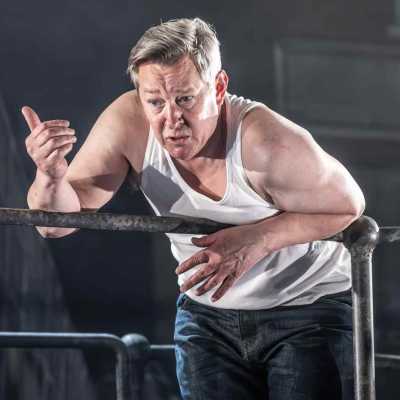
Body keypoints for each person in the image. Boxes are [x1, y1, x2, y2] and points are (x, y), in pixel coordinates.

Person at [23, 17, 365, 400]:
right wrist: (51, 176)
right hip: (207, 315)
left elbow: (349, 205)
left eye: (185, 99)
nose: (171, 120)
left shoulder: (267, 142)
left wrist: (258, 238)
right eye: (155, 102)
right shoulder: (127, 123)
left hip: (306, 309)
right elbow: (54, 224)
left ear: (218, 88)